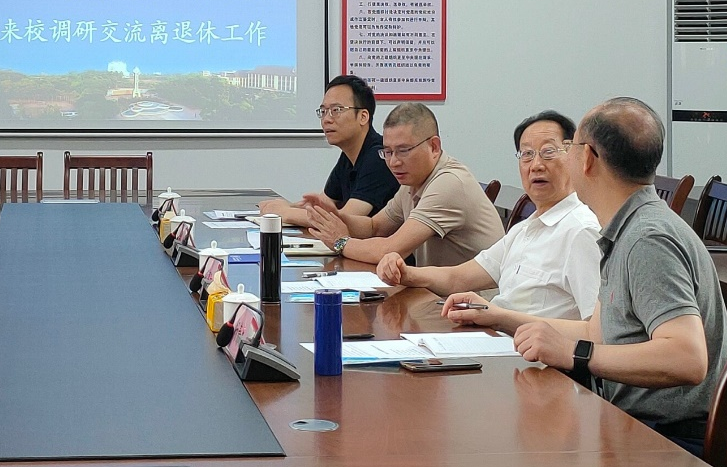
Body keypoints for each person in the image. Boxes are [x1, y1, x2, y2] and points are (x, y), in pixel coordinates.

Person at [443, 97, 727, 454]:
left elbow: (687, 358)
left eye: (571, 148)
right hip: (633, 422)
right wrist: (498, 317)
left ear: (588, 159)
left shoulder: (647, 239)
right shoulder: (624, 227)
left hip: (670, 440)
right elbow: (597, 333)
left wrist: (575, 354)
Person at [377, 110, 601, 319]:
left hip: (524, 347)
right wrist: (405, 273)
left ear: (575, 157)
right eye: (526, 154)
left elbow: (595, 332)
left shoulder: (581, 232)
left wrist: (497, 316)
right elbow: (458, 278)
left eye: (548, 152)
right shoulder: (525, 229)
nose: (536, 165)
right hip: (497, 338)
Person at [305, 102, 503, 266]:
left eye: (403, 150)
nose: (393, 162)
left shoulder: (449, 184)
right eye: (388, 152)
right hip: (440, 294)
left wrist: (340, 242)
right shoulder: (412, 182)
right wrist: (335, 216)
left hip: (475, 299)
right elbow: (375, 227)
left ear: (434, 146)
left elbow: (390, 249)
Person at [258, 75, 398, 224]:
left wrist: (285, 212)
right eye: (323, 111)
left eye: (336, 110)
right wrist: (288, 207)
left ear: (363, 117)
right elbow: (324, 205)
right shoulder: (348, 157)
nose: (326, 119)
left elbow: (343, 219)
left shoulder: (379, 157)